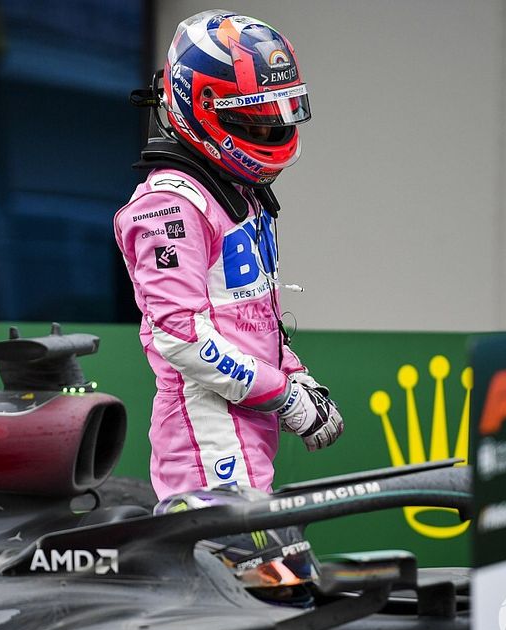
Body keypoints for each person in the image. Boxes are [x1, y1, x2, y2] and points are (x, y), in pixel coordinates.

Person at [114, 10, 343, 500]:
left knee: (268, 568)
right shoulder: (169, 205)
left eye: (273, 121)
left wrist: (296, 377)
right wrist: (283, 395)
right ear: (202, 108)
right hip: (204, 424)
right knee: (244, 567)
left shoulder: (238, 189)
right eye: (252, 123)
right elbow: (180, 337)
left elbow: (250, 313)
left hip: (246, 414)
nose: (268, 136)